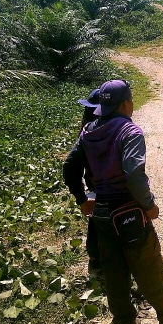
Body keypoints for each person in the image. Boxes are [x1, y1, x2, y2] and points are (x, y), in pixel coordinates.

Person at [63, 80, 163, 324]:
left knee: (114, 274)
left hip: (102, 213)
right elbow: (133, 173)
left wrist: (82, 199)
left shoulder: (88, 131)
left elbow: (70, 166)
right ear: (126, 103)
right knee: (149, 267)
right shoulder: (130, 131)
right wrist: (149, 205)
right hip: (128, 212)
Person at [77, 89, 101, 276]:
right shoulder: (94, 128)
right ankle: (96, 260)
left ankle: (96, 259)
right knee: (98, 220)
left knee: (97, 219)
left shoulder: (86, 127)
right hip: (97, 179)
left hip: (92, 179)